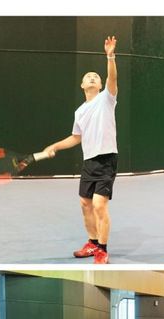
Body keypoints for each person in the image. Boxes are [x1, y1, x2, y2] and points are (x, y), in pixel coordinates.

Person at [43, 36, 119, 264]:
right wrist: (55, 146)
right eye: (88, 77)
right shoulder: (79, 112)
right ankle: (92, 243)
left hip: (106, 159)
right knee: (85, 204)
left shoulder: (107, 99)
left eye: (96, 77)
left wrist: (110, 57)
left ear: (100, 85)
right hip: (89, 162)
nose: (92, 78)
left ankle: (102, 249)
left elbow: (112, 78)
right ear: (82, 86)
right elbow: (76, 137)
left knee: (99, 204)